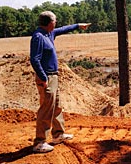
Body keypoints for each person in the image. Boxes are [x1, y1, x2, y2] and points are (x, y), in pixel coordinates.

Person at [30, 11, 91, 153]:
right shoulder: (38, 37)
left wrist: (77, 26)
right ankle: (39, 142)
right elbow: (34, 59)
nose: (56, 23)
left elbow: (63, 29)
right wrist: (43, 77)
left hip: (53, 76)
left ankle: (58, 135)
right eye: (55, 21)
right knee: (46, 108)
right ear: (49, 22)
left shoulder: (49, 34)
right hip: (47, 77)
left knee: (56, 106)